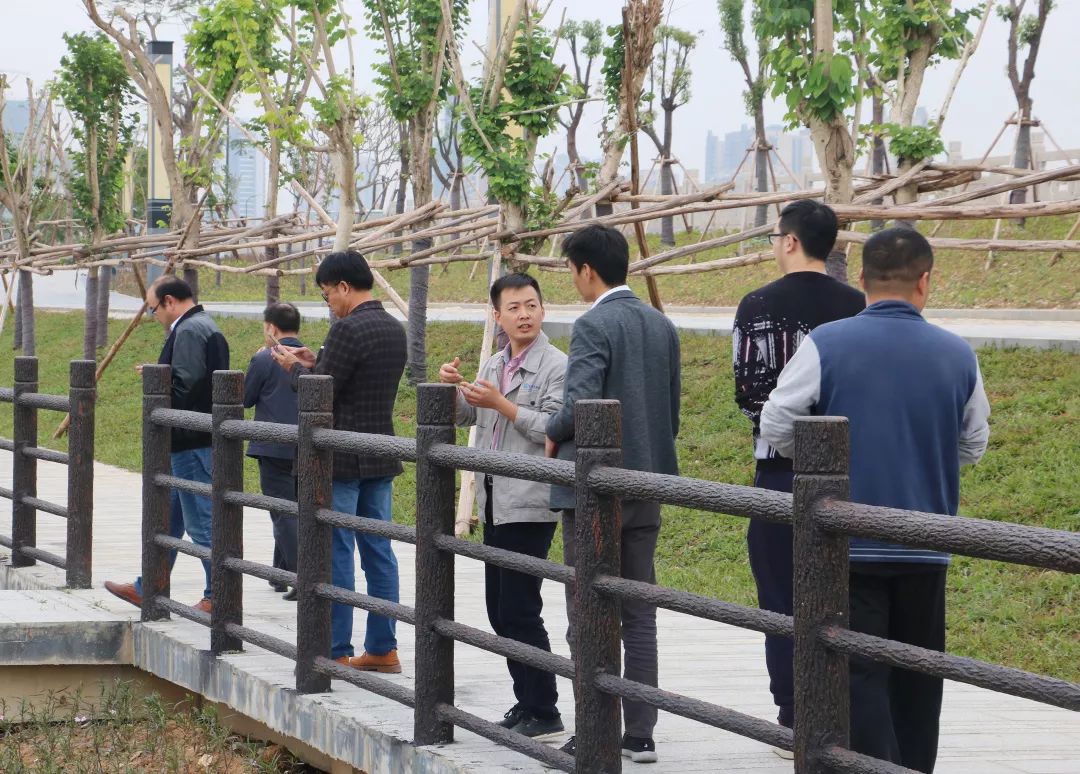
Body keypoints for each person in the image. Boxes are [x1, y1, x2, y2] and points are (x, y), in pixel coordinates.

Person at [760, 226, 991, 773]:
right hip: (926, 543)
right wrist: (924, 458)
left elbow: (776, 422)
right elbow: (973, 443)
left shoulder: (827, 343)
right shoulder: (957, 354)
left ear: (861, 278)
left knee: (857, 678)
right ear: (925, 281)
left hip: (846, 543)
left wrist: (823, 461)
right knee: (918, 679)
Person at [545, 224, 681, 764]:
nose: (573, 279)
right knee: (639, 610)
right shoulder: (661, 324)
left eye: (572, 270)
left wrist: (551, 428)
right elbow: (670, 413)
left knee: (588, 610)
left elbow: (580, 404)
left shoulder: (592, 325)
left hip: (597, 491)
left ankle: (594, 726)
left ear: (586, 270)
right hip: (647, 484)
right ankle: (640, 734)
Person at [732, 200, 865, 750]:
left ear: (789, 241)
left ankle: (792, 713)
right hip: (849, 475)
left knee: (780, 597)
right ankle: (840, 710)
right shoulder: (857, 305)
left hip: (778, 471)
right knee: (843, 597)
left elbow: (748, 395)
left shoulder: (757, 304)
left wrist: (788, 436)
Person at [438, 272, 567, 739]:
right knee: (499, 609)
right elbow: (470, 414)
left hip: (529, 502)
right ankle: (527, 701)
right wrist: (453, 389)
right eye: (513, 308)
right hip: (494, 500)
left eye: (531, 305)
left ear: (543, 309)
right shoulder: (495, 363)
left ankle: (545, 709)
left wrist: (501, 403)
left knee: (520, 608)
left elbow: (555, 425)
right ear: (497, 316)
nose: (524, 315)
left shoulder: (558, 365)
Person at [271, 250, 407, 673]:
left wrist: (294, 369)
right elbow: (345, 376)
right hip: (379, 452)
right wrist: (316, 362)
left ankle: (335, 648)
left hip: (341, 458)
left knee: (338, 551)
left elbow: (323, 392)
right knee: (379, 552)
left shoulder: (346, 329)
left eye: (328, 293)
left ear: (344, 287)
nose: (328, 302)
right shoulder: (394, 328)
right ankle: (383, 647)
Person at [105, 275, 230, 614]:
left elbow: (186, 385)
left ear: (170, 301)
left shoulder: (189, 329)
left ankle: (219, 597)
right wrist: (160, 372)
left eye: (153, 309)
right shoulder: (203, 325)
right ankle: (148, 586)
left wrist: (159, 385)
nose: (154, 315)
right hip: (189, 440)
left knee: (202, 522)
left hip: (191, 441)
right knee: (168, 519)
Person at [244, 302, 304, 600]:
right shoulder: (309, 357)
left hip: (272, 446)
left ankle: (299, 576)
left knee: (283, 512)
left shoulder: (264, 358)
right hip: (305, 445)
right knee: (294, 508)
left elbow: (245, 398)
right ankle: (278, 572)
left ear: (271, 328)